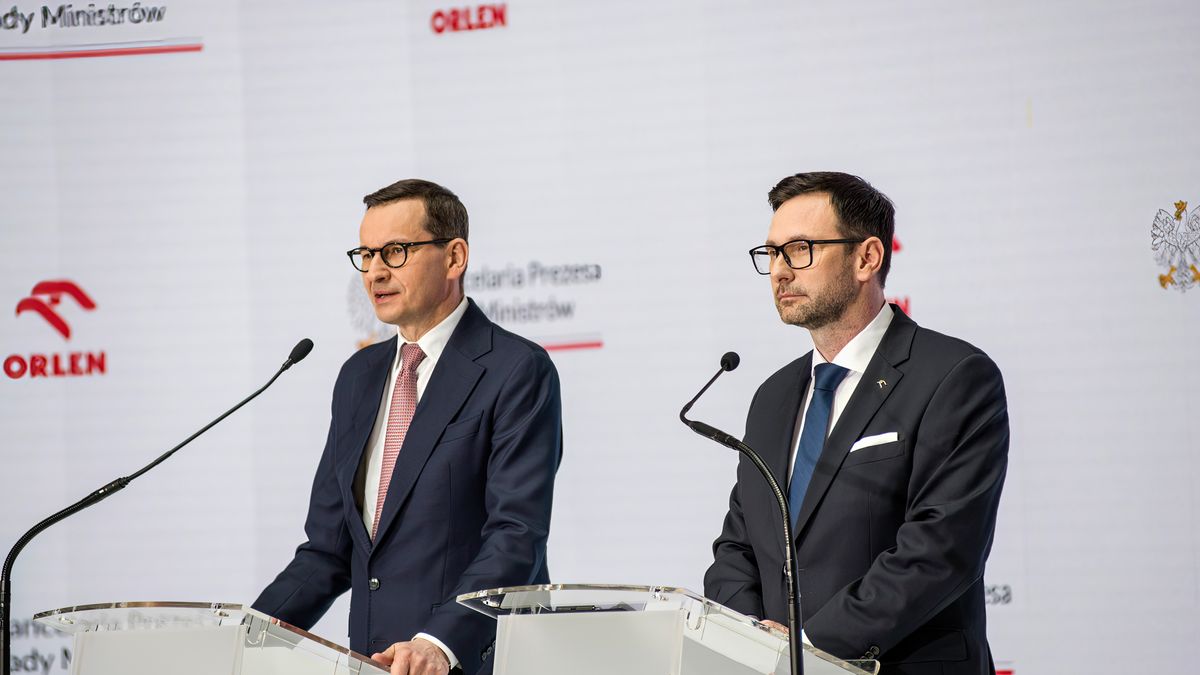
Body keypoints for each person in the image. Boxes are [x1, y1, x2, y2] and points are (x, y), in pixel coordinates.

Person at [704, 172, 1008, 675]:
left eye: (799, 249)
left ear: (867, 257)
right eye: (772, 253)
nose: (780, 270)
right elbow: (739, 545)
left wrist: (806, 649)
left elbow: (938, 553)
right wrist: (751, 643)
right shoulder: (772, 397)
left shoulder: (953, 376)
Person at [254, 179, 562, 675]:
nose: (375, 271)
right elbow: (328, 550)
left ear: (454, 257)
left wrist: (439, 642)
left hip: (471, 660)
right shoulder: (358, 377)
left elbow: (516, 535)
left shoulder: (515, 369)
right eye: (366, 254)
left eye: (395, 251)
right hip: (374, 662)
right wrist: (247, 633)